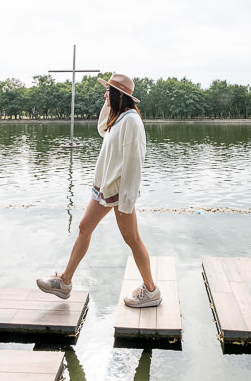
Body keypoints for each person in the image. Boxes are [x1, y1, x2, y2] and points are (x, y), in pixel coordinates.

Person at [37, 73, 161, 308]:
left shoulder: (132, 122)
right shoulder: (118, 118)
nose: (104, 94)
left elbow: (135, 164)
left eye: (108, 92)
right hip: (103, 190)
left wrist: (127, 201)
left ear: (119, 95)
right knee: (84, 227)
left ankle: (151, 291)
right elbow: (102, 128)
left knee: (132, 240)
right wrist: (108, 104)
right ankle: (64, 282)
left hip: (118, 193)